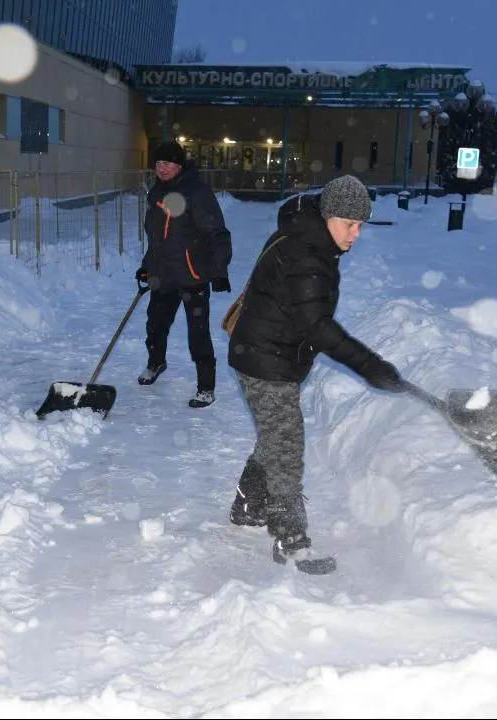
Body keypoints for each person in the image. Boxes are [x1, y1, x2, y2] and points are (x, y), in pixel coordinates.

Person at [227, 174, 405, 573]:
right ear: (328, 215)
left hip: (264, 351)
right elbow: (317, 326)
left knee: (277, 435)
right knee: (286, 447)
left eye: (360, 225)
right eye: (349, 224)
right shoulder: (307, 255)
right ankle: (290, 539)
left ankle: (248, 503)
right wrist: (370, 365)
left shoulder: (309, 237)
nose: (355, 234)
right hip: (266, 360)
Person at [136, 139, 233, 408]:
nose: (161, 168)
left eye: (167, 163)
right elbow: (156, 239)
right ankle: (156, 363)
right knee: (155, 325)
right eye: (158, 163)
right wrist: (147, 266)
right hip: (164, 275)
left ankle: (206, 387)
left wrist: (219, 271)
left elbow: (217, 233)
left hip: (192, 275)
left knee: (198, 333)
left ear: (179, 165)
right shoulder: (156, 193)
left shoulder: (197, 193)